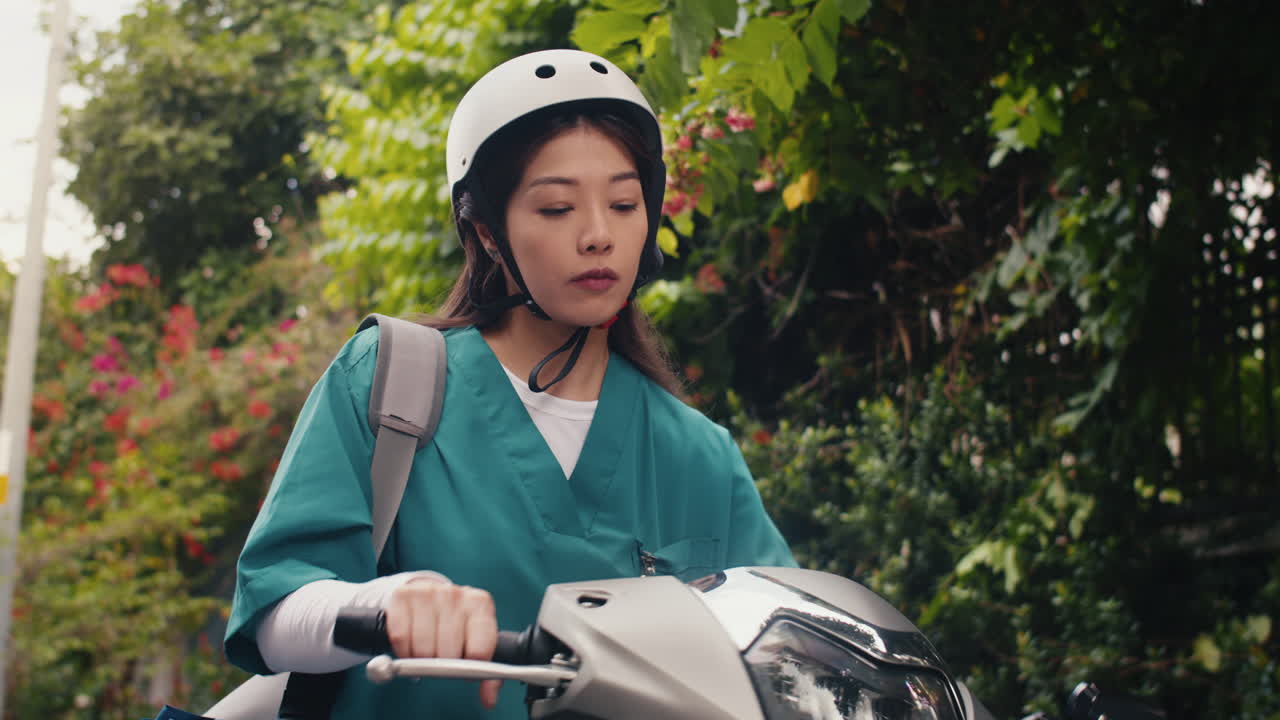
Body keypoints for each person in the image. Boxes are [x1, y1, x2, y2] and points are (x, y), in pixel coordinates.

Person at [223, 48, 795, 718]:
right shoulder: (390, 385)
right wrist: (387, 604)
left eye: (623, 202)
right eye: (556, 208)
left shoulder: (700, 456)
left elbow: (782, 657)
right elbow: (271, 613)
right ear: (489, 231)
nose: (598, 235)